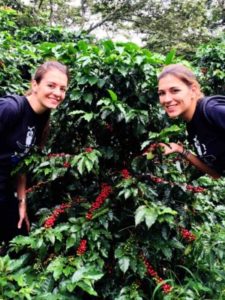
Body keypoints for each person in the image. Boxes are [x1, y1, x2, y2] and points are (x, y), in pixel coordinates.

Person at [0, 60, 69, 245]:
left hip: (6, 191)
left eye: (62, 88)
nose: (57, 93)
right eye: (51, 85)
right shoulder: (11, 108)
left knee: (18, 236)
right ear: (35, 84)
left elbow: (22, 162)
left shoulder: (41, 119)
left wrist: (22, 202)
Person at [157, 63, 225, 179]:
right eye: (162, 93)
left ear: (193, 90)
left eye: (175, 90)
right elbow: (215, 173)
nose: (167, 99)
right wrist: (180, 150)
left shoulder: (211, 111)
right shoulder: (192, 125)